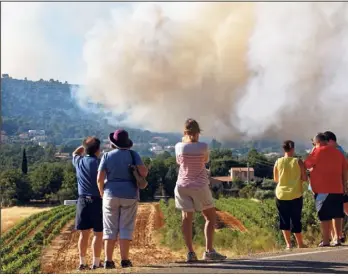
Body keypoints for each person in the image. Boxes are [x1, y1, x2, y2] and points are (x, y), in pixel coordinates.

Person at [174, 118, 226, 262]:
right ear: (198, 132)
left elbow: (179, 162)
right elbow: (205, 161)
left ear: (185, 132)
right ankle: (209, 250)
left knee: (186, 218)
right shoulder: (203, 146)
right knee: (210, 217)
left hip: (182, 186)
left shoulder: (178, 146)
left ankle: (190, 253)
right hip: (199, 185)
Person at [97, 129, 148, 269]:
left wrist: (102, 193)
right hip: (130, 194)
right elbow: (144, 172)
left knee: (109, 228)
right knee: (126, 227)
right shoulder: (133, 154)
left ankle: (108, 261)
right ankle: (125, 260)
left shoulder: (106, 156)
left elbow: (99, 179)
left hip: (110, 194)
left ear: (113, 143)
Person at [305, 133, 348, 247]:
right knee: (337, 214)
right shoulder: (338, 152)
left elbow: (307, 164)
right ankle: (337, 239)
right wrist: (344, 186)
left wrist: (313, 150)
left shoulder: (317, 151)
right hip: (338, 188)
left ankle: (326, 240)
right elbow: (345, 170)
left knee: (324, 216)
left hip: (322, 189)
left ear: (317, 142)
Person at [72, 137, 103, 270]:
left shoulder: (78, 161)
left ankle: (82, 263)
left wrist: (84, 146)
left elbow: (75, 153)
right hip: (98, 200)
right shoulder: (100, 163)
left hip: (82, 200)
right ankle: (95, 263)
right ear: (98, 150)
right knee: (98, 233)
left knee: (83, 234)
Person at [273, 140, 307, 249]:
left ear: (284, 149)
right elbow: (304, 178)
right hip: (295, 193)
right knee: (296, 219)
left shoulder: (278, 162)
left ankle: (288, 244)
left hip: (281, 194)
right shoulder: (298, 162)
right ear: (293, 149)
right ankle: (300, 244)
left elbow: (276, 179)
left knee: (284, 219)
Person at [324, 131, 348, 243]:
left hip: (339, 185)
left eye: (326, 142)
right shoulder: (340, 151)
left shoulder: (337, 152)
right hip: (340, 184)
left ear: (331, 141)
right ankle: (338, 236)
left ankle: (336, 236)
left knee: (337, 212)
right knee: (340, 211)